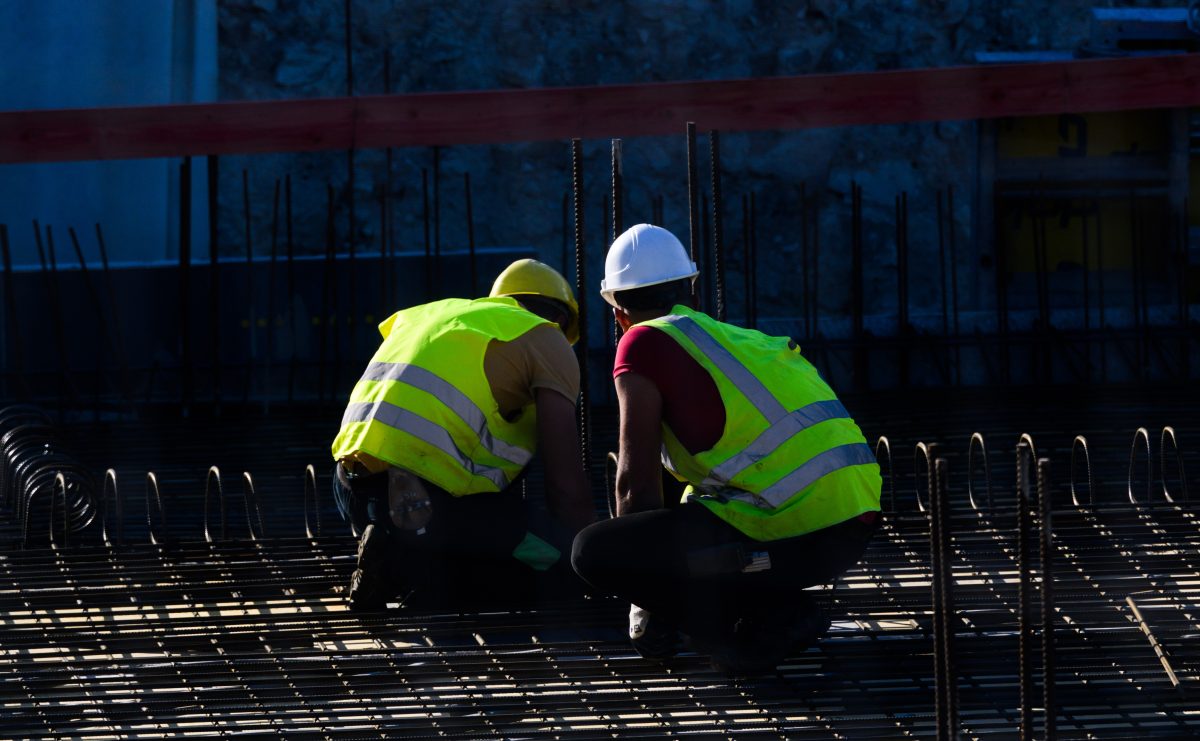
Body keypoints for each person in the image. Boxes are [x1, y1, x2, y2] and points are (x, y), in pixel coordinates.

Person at [571, 224, 882, 674]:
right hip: (853, 524)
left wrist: (648, 598)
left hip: (792, 532)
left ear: (618, 312)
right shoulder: (740, 341)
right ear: (692, 291)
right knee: (689, 508)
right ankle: (773, 607)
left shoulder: (642, 342)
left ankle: (759, 622)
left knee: (592, 552)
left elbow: (634, 488)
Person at [332, 259, 595, 610]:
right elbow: (566, 489)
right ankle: (414, 571)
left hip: (351, 491)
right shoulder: (546, 337)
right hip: (434, 506)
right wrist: (587, 558)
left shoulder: (434, 316)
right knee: (553, 565)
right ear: (561, 321)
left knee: (477, 531)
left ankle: (401, 550)